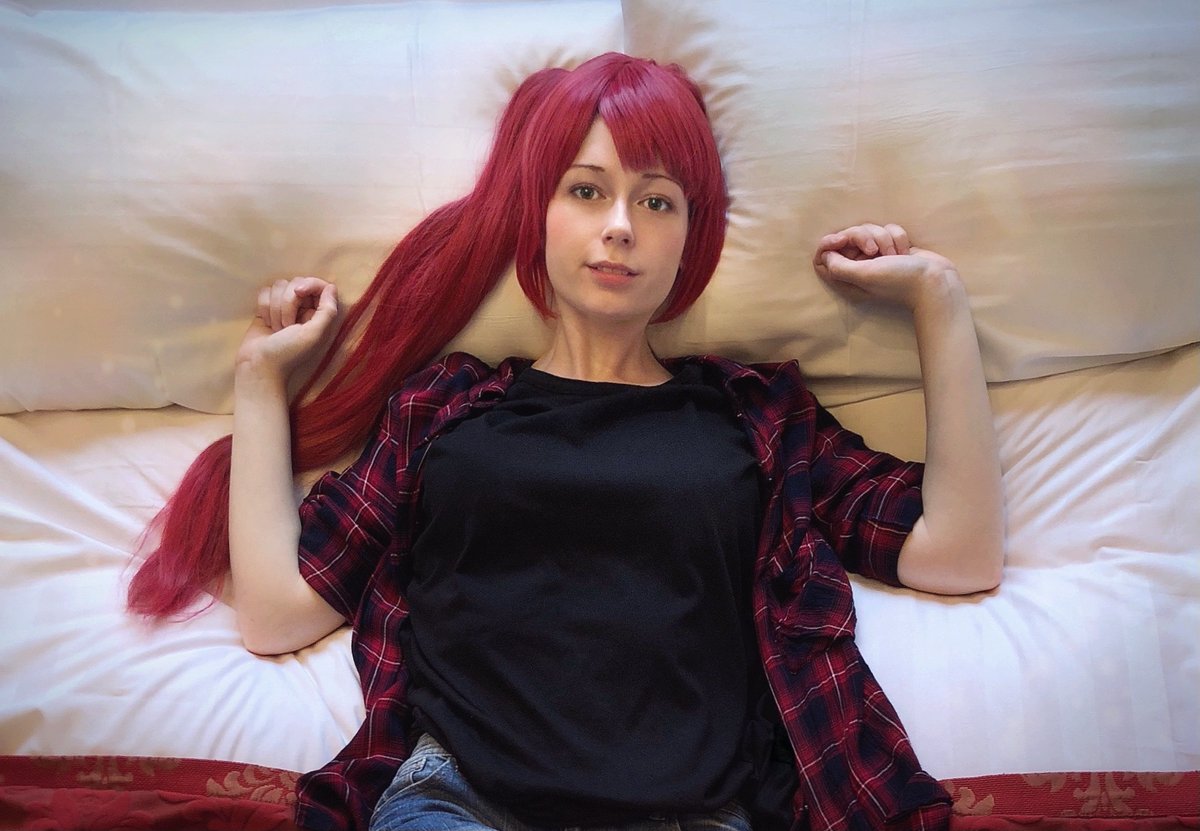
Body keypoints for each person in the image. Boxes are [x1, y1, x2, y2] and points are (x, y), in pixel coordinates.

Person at [128, 53, 1004, 831]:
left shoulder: (760, 417)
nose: (620, 224)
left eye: (656, 200)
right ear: (537, 212)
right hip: (458, 800)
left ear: (691, 234)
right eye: (586, 190)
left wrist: (937, 299)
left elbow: (958, 552)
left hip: (693, 811)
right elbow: (278, 611)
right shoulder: (441, 407)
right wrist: (261, 379)